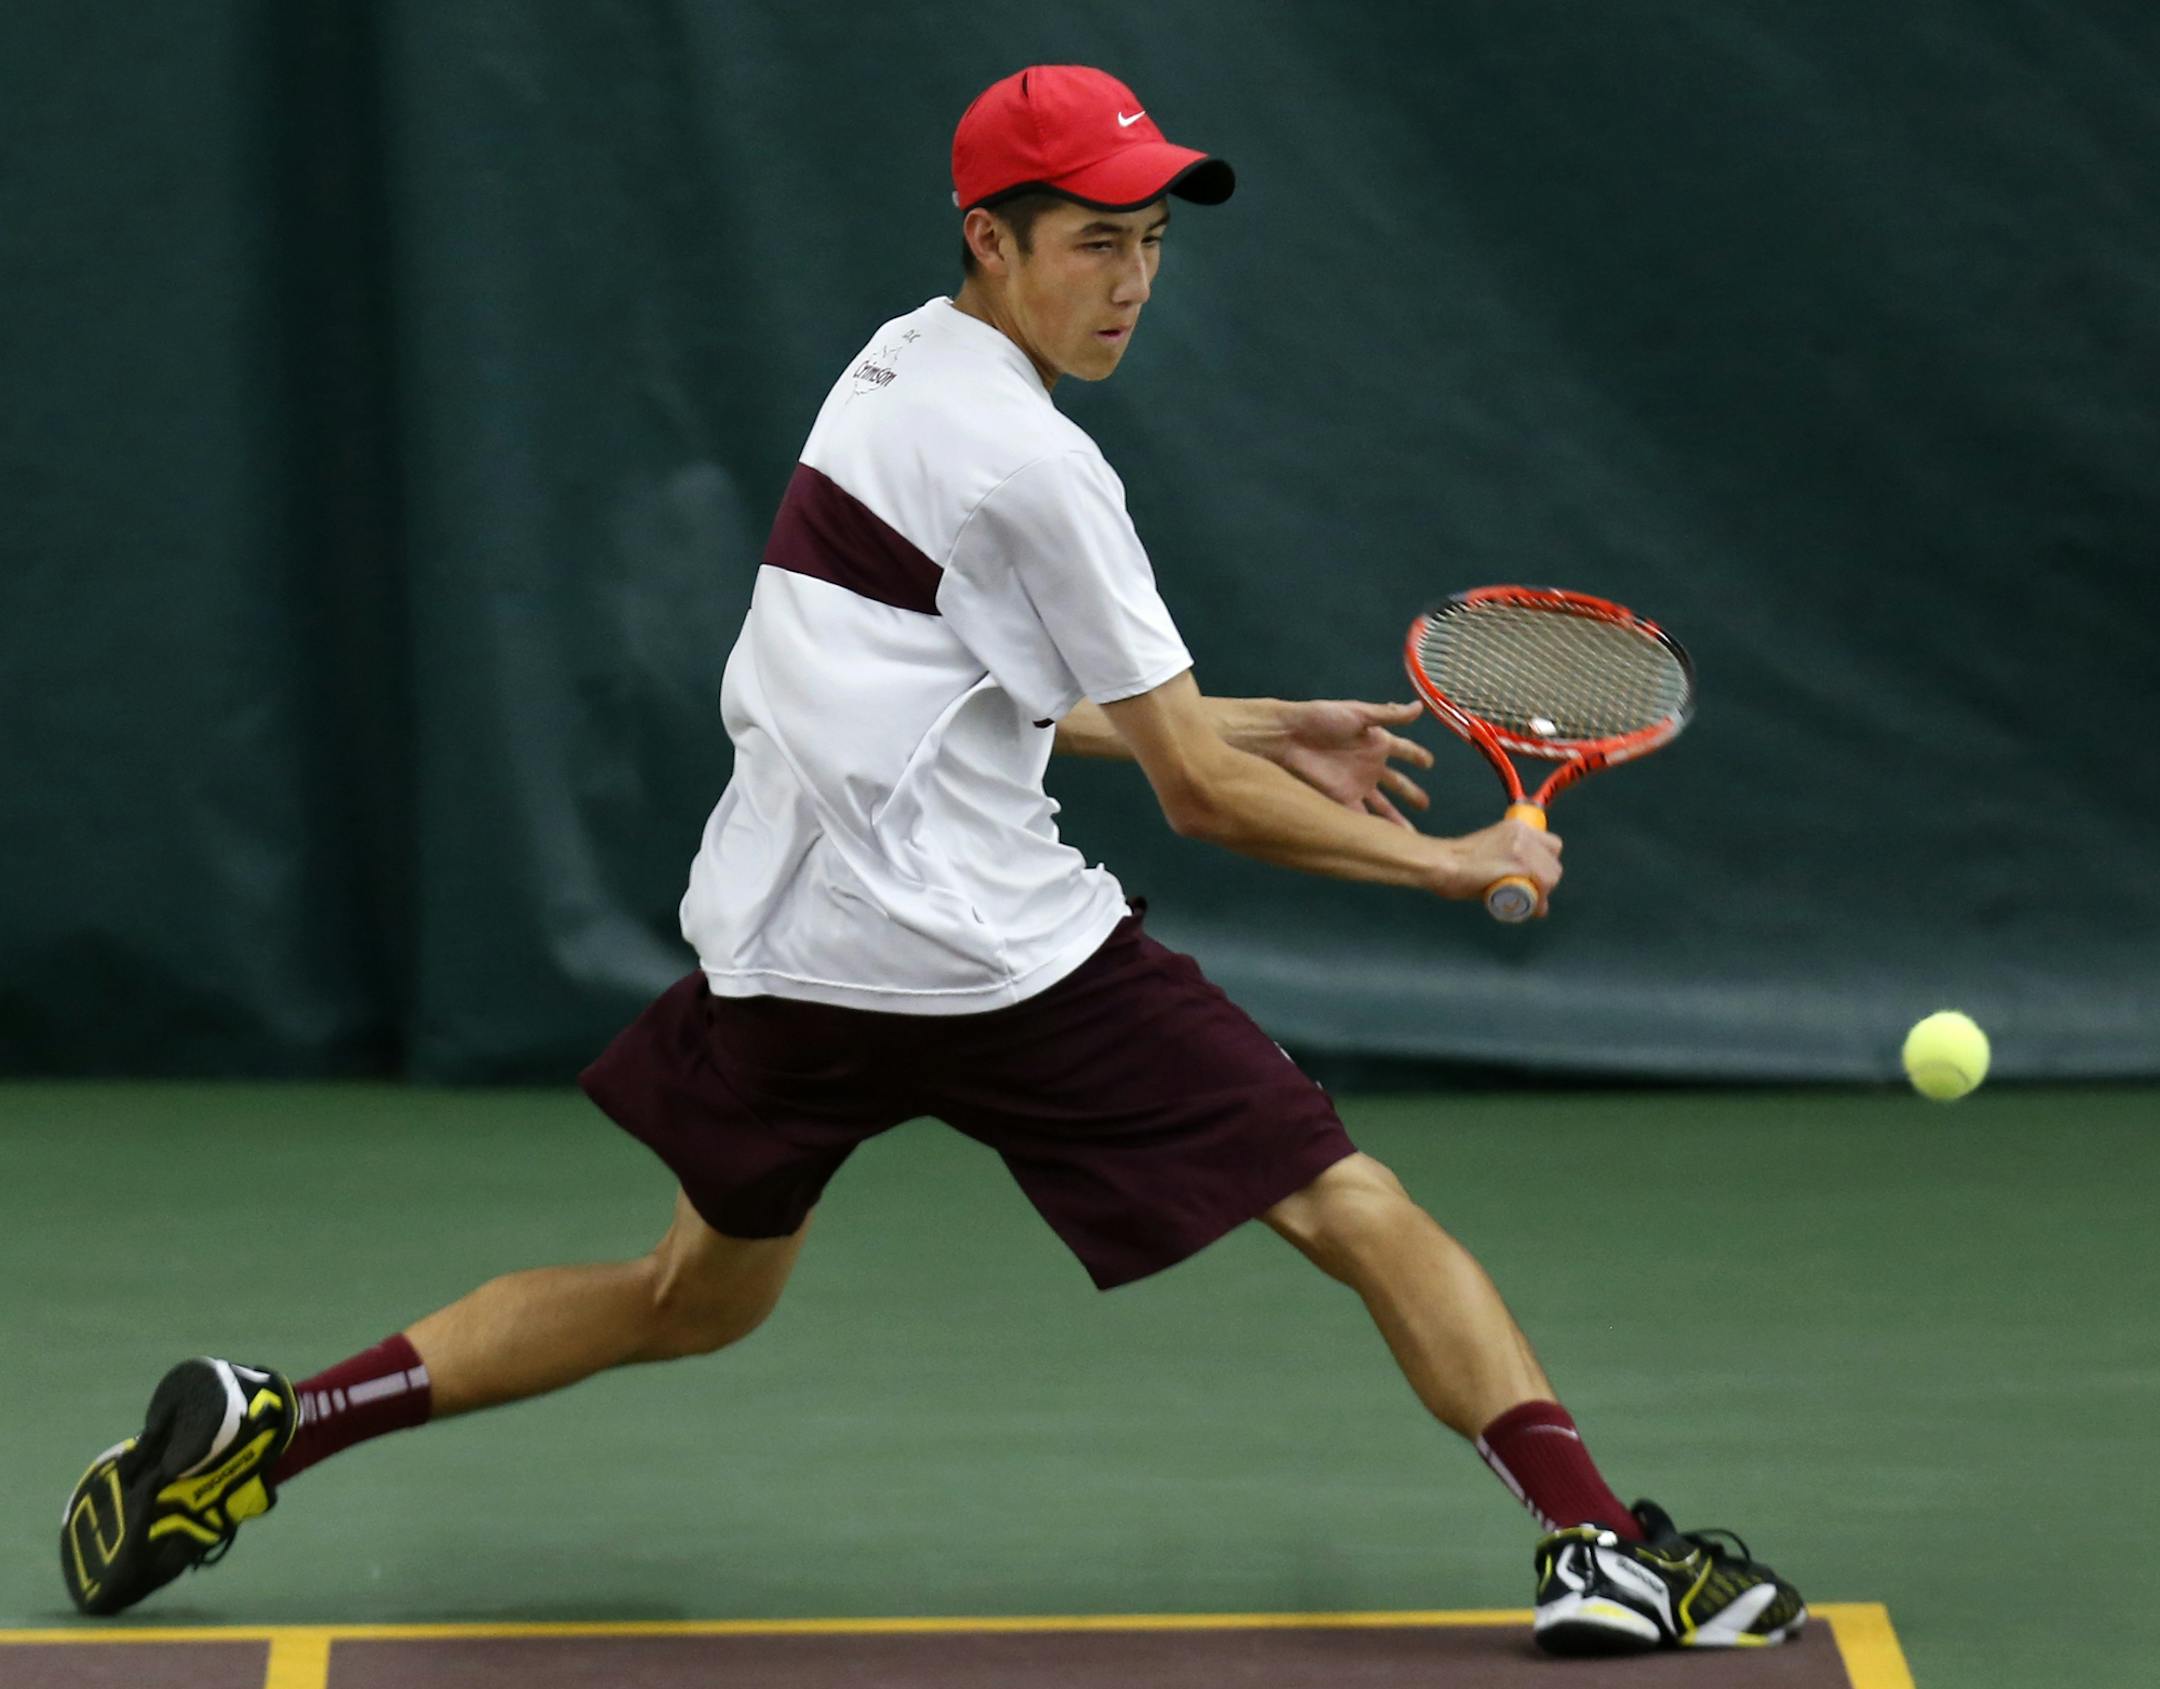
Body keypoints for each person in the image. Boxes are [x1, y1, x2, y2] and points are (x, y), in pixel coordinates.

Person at [59, 64, 1803, 1656]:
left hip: (792, 952)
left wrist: (1266, 718)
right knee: (1348, 1201)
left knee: (689, 1295)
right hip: (998, 964)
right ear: (991, 235)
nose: (1129, 280)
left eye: (1148, 244)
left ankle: (274, 1425)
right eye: (1091, 243)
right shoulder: (1046, 465)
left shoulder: (890, 373)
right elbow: (1190, 795)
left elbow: (970, 691)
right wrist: (1454, 863)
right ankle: (1597, 1547)